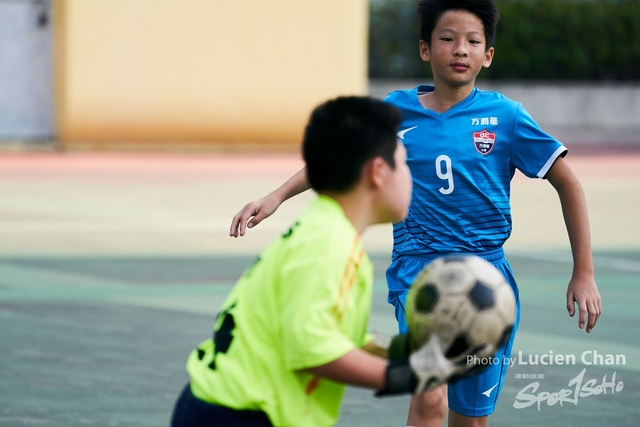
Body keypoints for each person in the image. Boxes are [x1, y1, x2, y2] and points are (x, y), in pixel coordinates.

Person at [228, 1, 602, 426]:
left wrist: (584, 271)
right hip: (419, 271)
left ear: (488, 55)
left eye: (473, 41)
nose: (460, 49)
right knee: (429, 399)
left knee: (470, 417)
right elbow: (342, 157)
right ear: (425, 49)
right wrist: (277, 196)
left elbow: (568, 182)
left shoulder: (507, 117)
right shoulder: (395, 111)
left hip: (487, 279)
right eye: (447, 38)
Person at [173, 96, 479, 427]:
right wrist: (401, 375)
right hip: (235, 414)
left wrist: (417, 353)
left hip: (232, 407)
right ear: (377, 173)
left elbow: (332, 336)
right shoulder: (329, 243)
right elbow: (310, 348)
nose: (411, 176)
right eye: (405, 164)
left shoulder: (331, 233)